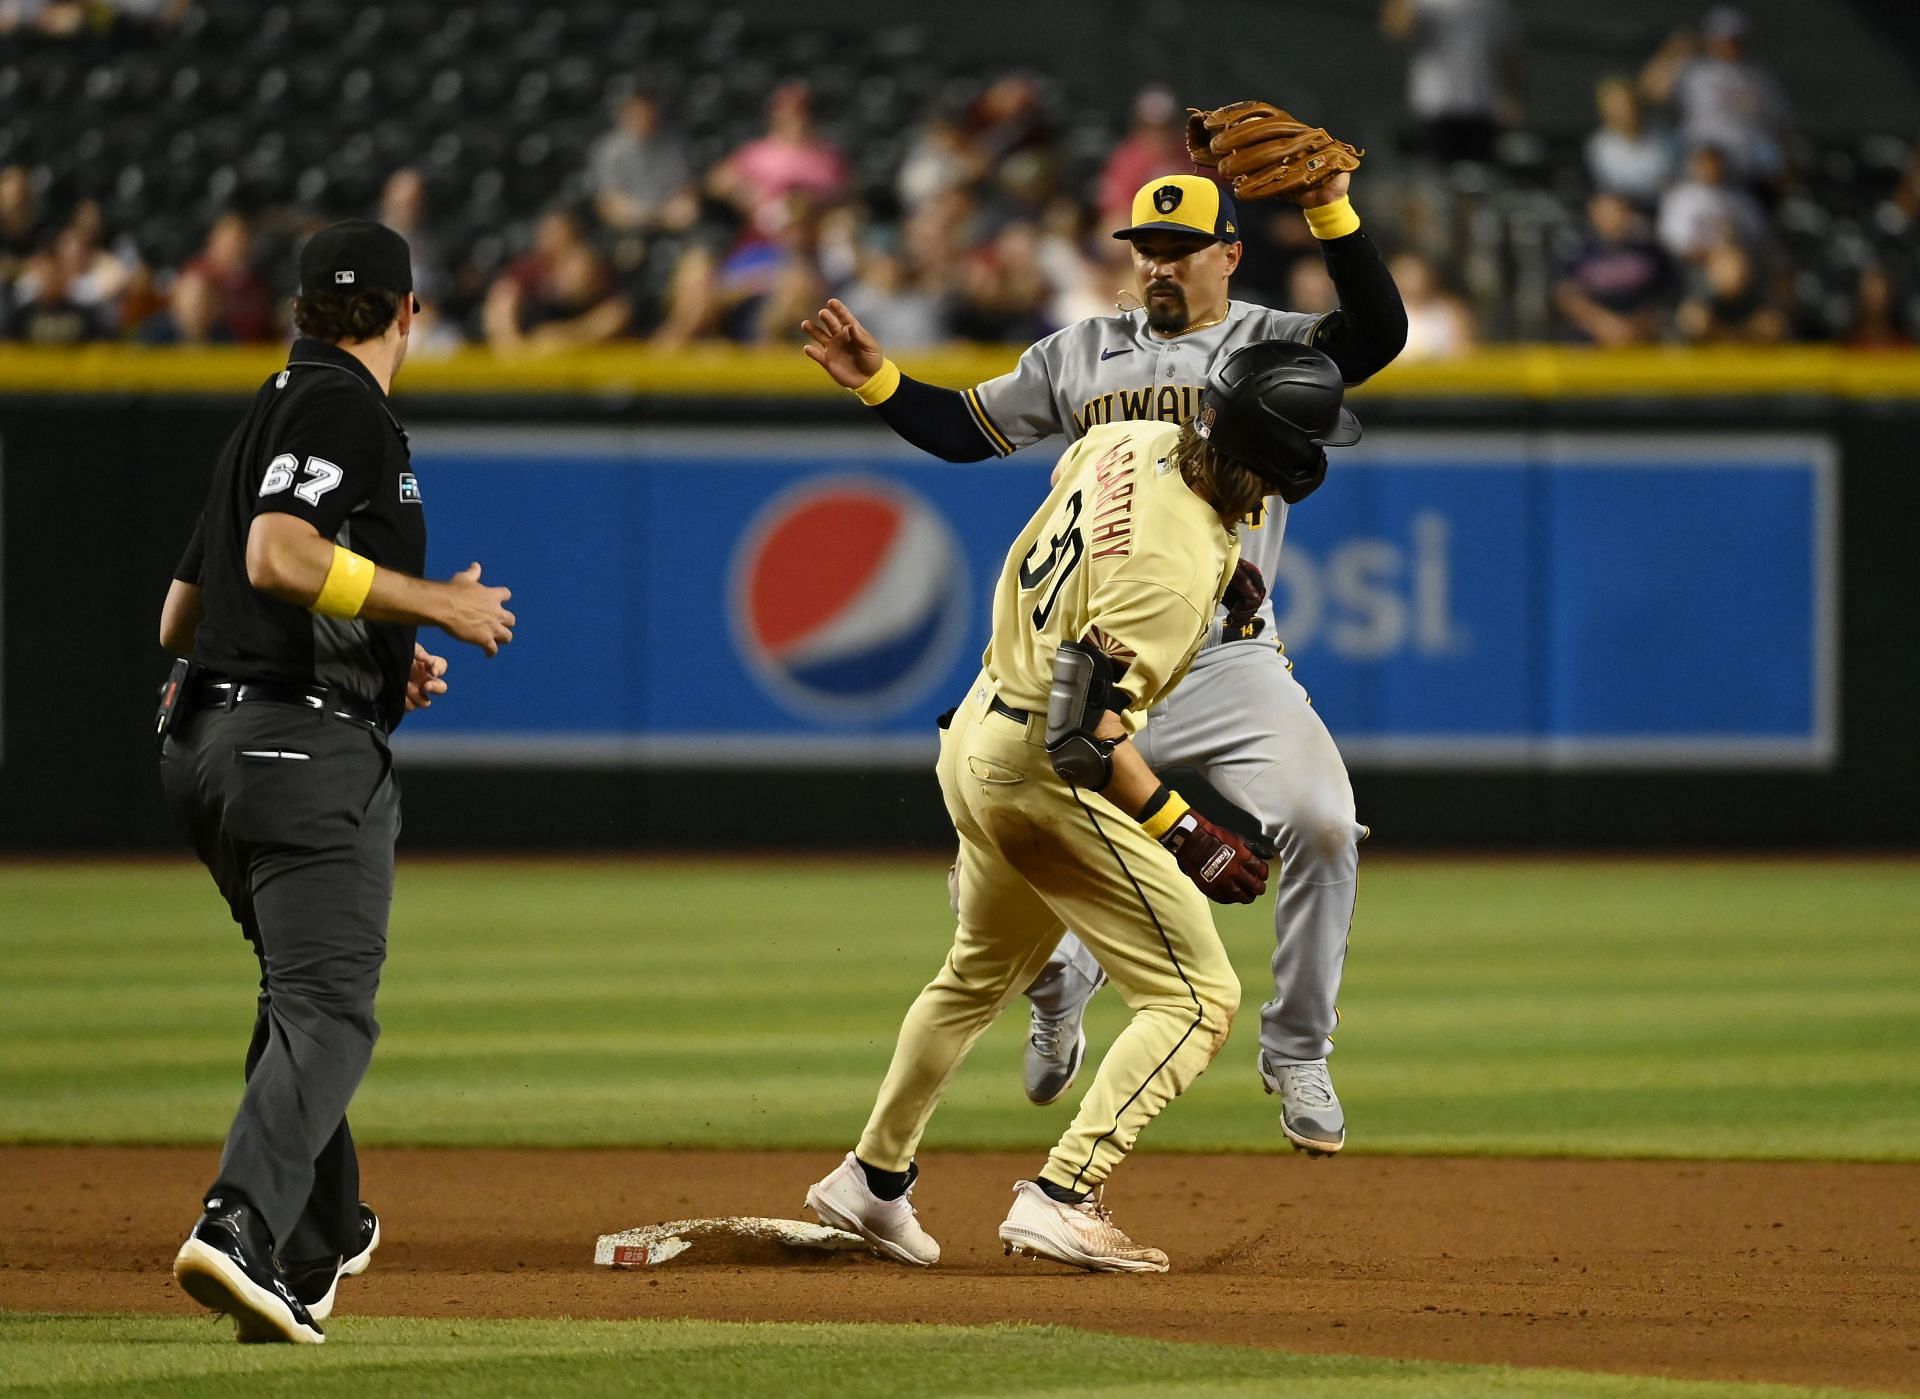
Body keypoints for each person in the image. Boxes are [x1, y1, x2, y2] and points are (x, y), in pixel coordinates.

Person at [801, 160, 1406, 1156]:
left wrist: (1330, 207)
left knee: (1326, 824)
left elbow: (1376, 335)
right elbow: (965, 430)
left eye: (1181, 249)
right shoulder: (1080, 352)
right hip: (1087, 651)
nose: (1160, 266)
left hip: (1224, 653)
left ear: (1229, 255)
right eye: (1146, 249)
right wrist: (878, 379)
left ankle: (1298, 1046)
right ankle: (1060, 986)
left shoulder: (1271, 342)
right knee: (997, 864)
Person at [804, 341, 1363, 1273]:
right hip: (1037, 771)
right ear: (1286, 471)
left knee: (975, 976)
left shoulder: (1131, 434)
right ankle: (1065, 1192)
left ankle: (872, 1179)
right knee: (1196, 999)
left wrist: (1225, 572)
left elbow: (1089, 521)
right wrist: (1188, 833)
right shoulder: (1173, 572)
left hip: (976, 730)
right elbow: (1085, 735)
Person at [159, 220, 517, 1344]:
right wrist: (434, 605)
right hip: (296, 754)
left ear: (304, 307)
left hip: (206, 748)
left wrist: (371, 649)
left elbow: (182, 614)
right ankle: (238, 1224)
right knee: (326, 1009)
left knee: (295, 999)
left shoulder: (262, 411)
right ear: (412, 311)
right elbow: (276, 556)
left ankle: (314, 1248)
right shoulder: (343, 409)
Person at [1554, 193, 1675, 346]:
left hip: (1642, 333)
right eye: (1609, 212)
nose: (1616, 218)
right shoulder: (1578, 252)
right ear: (1594, 215)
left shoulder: (1650, 252)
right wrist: (1603, 324)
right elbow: (1566, 295)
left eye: (1620, 211)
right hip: (1592, 336)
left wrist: (1636, 326)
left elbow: (1667, 295)